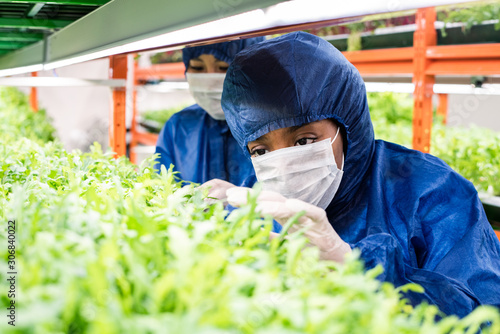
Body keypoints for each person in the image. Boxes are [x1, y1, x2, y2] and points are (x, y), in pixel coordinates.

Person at [207, 31, 500, 317]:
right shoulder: (256, 198)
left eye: (304, 141)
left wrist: (360, 272)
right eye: (261, 151)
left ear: (348, 126)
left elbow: (484, 314)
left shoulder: (431, 191)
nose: (282, 164)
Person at [154, 37, 264, 186]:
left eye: (224, 67)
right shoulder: (178, 126)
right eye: (198, 68)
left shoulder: (270, 127)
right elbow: (162, 190)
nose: (210, 82)